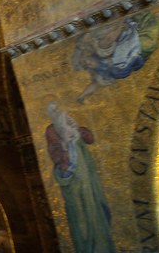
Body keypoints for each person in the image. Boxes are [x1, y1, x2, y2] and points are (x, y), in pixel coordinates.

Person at [45, 103, 115, 252]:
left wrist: (81, 132)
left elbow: (90, 139)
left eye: (58, 108)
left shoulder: (72, 125)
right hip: (75, 183)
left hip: (89, 182)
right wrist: (64, 156)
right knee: (83, 221)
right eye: (54, 110)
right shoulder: (52, 130)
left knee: (99, 215)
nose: (58, 111)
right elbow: (55, 152)